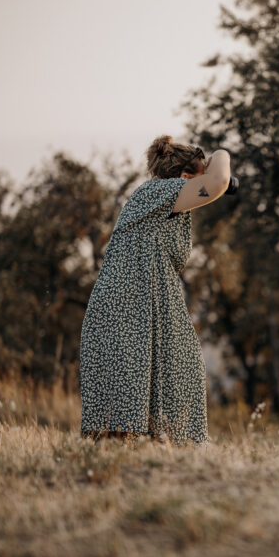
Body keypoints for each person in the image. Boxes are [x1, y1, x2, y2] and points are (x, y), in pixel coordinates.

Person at [79, 135, 232, 445]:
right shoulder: (158, 191)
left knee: (177, 367)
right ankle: (164, 450)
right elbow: (219, 181)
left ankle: (164, 449)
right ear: (186, 176)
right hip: (126, 303)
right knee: (130, 394)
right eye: (199, 171)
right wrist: (220, 154)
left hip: (143, 300)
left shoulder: (160, 199)